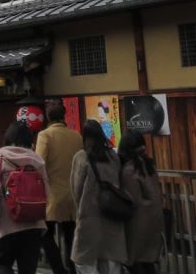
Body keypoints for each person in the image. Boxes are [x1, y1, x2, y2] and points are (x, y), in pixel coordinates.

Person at [0, 122, 49, 274]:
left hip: (7, 225)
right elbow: (47, 191)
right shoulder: (37, 159)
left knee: (2, 265)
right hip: (34, 225)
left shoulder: (1, 155)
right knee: (28, 269)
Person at [70, 120, 128, 274]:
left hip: (89, 216)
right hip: (113, 215)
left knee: (86, 261)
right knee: (111, 260)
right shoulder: (113, 157)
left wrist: (80, 207)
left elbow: (76, 190)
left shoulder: (81, 157)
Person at [36, 98, 83, 274]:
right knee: (70, 235)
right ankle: (72, 268)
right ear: (64, 116)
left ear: (48, 118)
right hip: (72, 194)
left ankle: (58, 269)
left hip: (52, 194)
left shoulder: (45, 135)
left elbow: (39, 163)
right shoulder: (76, 136)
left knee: (44, 233)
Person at [118, 131, 164, 274]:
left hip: (137, 224)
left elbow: (131, 200)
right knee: (147, 263)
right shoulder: (149, 166)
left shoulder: (129, 171)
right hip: (154, 221)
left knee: (136, 263)